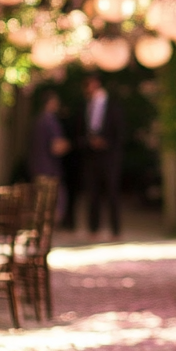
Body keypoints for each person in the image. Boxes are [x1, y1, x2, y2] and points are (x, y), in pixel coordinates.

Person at [80, 73, 124, 238]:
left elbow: (120, 133)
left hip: (110, 157)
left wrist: (106, 143)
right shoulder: (85, 106)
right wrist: (89, 142)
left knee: (112, 193)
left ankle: (116, 230)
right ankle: (93, 228)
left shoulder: (113, 105)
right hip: (91, 156)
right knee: (93, 193)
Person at [28, 89, 70, 221]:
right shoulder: (50, 121)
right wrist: (68, 145)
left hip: (37, 167)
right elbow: (56, 147)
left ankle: (41, 233)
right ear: (51, 103)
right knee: (53, 203)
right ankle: (46, 232)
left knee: (41, 203)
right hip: (49, 169)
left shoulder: (38, 120)